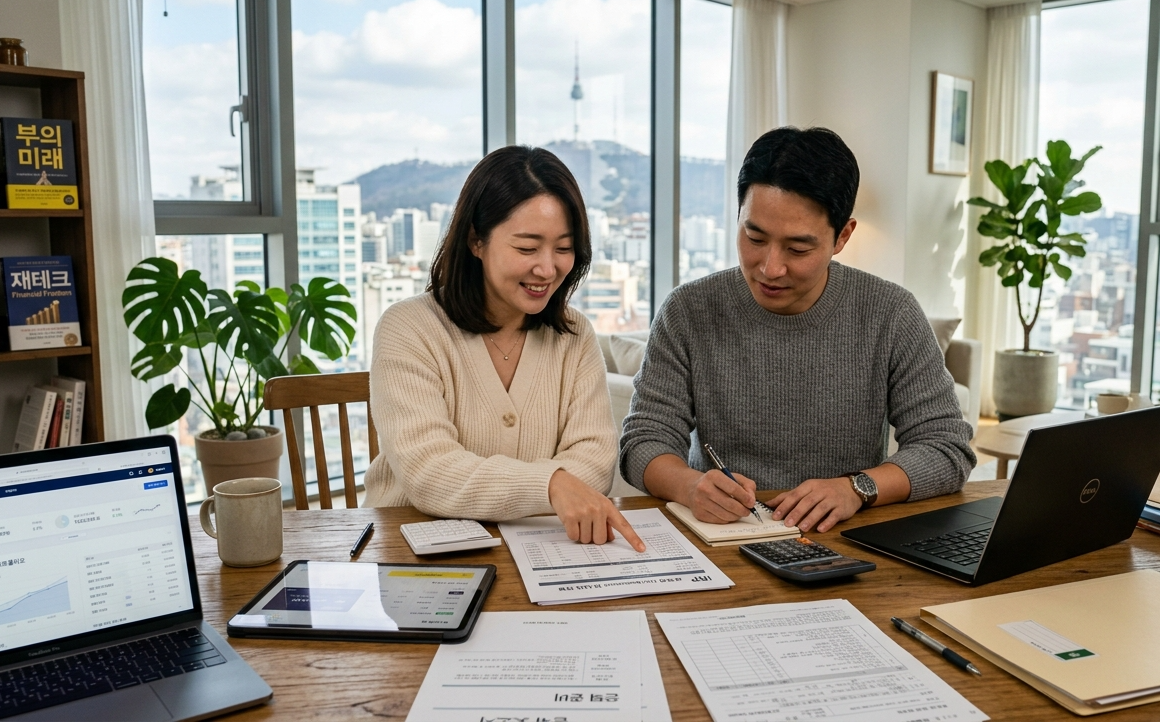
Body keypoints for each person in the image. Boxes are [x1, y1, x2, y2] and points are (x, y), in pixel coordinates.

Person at [620, 126, 974, 534]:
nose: (770, 268)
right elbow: (643, 442)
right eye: (754, 237)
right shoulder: (688, 311)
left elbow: (947, 448)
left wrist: (856, 487)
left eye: (798, 249)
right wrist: (690, 485)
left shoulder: (890, 313)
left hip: (844, 537)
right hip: (723, 534)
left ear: (842, 236)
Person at [366, 145, 645, 552]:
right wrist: (551, 484)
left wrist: (549, 486)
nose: (547, 269)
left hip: (542, 549)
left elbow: (595, 463)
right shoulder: (408, 328)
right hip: (413, 554)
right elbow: (429, 472)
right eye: (527, 248)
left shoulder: (574, 334)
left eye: (563, 248)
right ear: (476, 241)